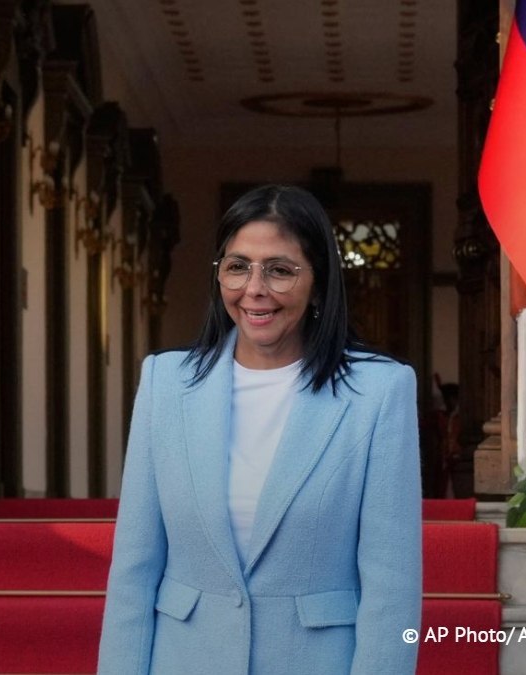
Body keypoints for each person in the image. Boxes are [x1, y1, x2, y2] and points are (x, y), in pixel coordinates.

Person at [97, 184, 421, 674]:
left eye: (280, 270)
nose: (254, 288)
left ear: (319, 283)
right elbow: (133, 569)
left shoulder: (379, 392)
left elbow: (391, 586)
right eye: (237, 266)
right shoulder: (165, 382)